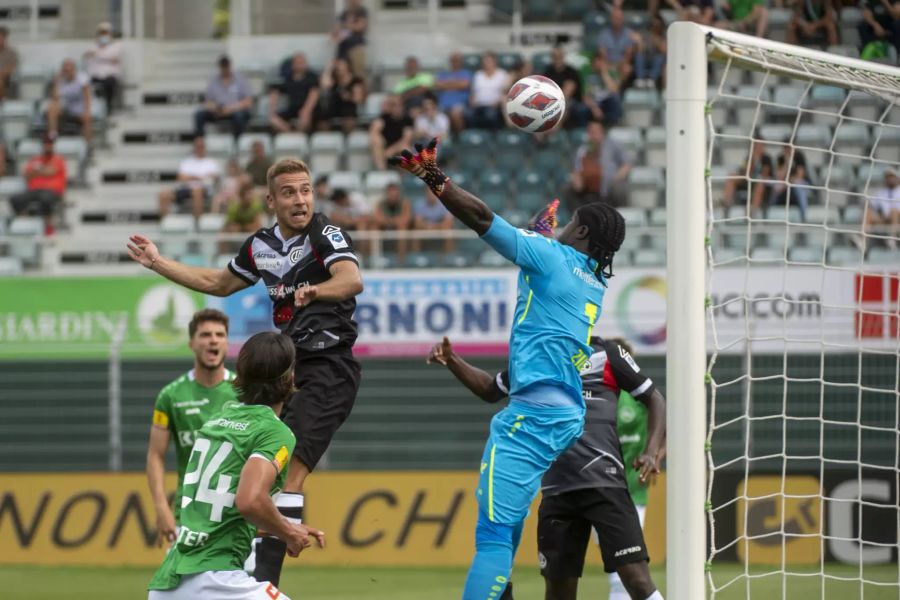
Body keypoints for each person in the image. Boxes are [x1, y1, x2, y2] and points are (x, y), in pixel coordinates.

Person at [389, 139, 626, 600]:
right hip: (560, 413)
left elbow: (481, 220)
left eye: (573, 224)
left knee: (493, 537)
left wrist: (434, 178)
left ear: (579, 236)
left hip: (531, 416)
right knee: (509, 525)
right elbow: (546, 269)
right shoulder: (592, 280)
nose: (565, 227)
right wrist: (540, 235)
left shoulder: (550, 256)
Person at [127, 157, 363, 588]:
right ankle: (217, 560)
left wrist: (316, 290)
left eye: (306, 190)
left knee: (288, 472)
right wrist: (158, 263)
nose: (301, 199)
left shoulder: (324, 232)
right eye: (289, 192)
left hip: (328, 365)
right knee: (247, 462)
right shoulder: (260, 246)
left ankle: (264, 580)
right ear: (271, 200)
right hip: (286, 366)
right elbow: (218, 284)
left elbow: (351, 279)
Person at [427, 332, 666, 600]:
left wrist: (652, 451)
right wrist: (452, 360)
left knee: (636, 581)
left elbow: (654, 397)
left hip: (605, 484)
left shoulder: (605, 353)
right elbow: (489, 389)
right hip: (557, 492)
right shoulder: (536, 355)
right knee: (557, 592)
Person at [147, 331, 326, 600]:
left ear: (240, 377)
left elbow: (221, 512)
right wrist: (289, 533)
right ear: (289, 378)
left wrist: (280, 527)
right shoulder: (275, 432)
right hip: (214, 580)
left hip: (168, 583)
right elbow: (250, 500)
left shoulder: (217, 422)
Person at [145, 309, 238, 549]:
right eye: (205, 335)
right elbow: (156, 456)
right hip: (187, 518)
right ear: (192, 343)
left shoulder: (244, 392)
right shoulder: (171, 396)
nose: (213, 340)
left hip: (236, 520)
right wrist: (161, 507)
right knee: (177, 586)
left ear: (227, 343)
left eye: (220, 334)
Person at [10, 133, 66, 235]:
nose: (48, 145)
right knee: (16, 199)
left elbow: (51, 171)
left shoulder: (58, 159)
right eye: (46, 143)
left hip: (53, 191)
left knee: (45, 199)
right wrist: (41, 171)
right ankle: (27, 225)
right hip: (35, 190)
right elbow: (27, 175)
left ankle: (47, 226)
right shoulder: (35, 159)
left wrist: (37, 171)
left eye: (50, 143)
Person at [570, 120, 632, 208]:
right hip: (587, 189)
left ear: (602, 133)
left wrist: (617, 177)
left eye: (595, 133)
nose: (593, 136)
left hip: (609, 187)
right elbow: (576, 168)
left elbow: (627, 164)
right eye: (590, 133)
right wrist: (576, 178)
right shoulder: (583, 149)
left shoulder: (614, 145)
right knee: (569, 188)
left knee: (618, 189)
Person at [158, 136, 222, 218]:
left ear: (205, 147)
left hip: (204, 191)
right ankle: (166, 222)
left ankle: (198, 222)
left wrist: (191, 177)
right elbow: (180, 177)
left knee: (196, 190)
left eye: (201, 146)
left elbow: (215, 177)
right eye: (197, 146)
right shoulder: (187, 162)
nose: (199, 149)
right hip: (185, 190)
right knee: (163, 194)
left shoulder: (211, 162)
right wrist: (199, 177)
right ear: (194, 148)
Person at [194, 55, 253, 140]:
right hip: (218, 111)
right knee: (199, 115)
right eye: (223, 66)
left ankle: (237, 142)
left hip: (234, 111)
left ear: (230, 66)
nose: (225, 69)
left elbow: (248, 101)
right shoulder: (213, 80)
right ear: (220, 67)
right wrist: (216, 108)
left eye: (226, 66)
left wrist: (230, 108)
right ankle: (200, 141)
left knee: (239, 116)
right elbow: (207, 102)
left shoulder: (240, 79)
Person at [268, 53, 320, 134]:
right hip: (293, 109)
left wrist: (306, 110)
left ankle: (299, 137)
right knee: (273, 119)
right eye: (297, 63)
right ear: (293, 64)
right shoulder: (288, 78)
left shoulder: (312, 77)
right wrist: (272, 110)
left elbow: (314, 94)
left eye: (301, 63)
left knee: (305, 118)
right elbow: (275, 92)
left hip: (309, 109)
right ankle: (291, 134)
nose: (299, 65)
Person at [47, 58, 92, 145]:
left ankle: (87, 145)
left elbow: (87, 97)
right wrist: (56, 82)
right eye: (64, 69)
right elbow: (55, 98)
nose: (66, 71)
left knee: (87, 118)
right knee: (51, 108)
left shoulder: (82, 78)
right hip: (66, 108)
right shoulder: (61, 80)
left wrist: (87, 111)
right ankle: (53, 136)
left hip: (79, 109)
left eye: (68, 68)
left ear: (74, 69)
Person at [543, 46, 589, 129]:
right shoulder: (548, 72)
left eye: (559, 56)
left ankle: (555, 127)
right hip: (551, 100)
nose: (557, 58)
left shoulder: (571, 71)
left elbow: (568, 92)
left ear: (563, 56)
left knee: (565, 102)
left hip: (571, 101)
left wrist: (556, 103)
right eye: (555, 56)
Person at [84, 21, 123, 115]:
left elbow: (114, 58)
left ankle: (108, 108)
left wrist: (97, 55)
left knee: (110, 83)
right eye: (101, 33)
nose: (103, 36)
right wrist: (104, 56)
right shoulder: (93, 46)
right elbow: (87, 58)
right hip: (95, 76)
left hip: (110, 77)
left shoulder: (117, 46)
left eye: (105, 33)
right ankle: (94, 110)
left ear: (110, 34)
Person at [319, 57, 366, 133]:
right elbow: (324, 85)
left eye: (342, 65)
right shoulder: (334, 79)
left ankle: (347, 140)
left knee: (349, 121)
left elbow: (358, 99)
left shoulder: (356, 80)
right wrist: (329, 68)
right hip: (334, 107)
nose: (339, 68)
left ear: (348, 66)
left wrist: (349, 97)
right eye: (338, 65)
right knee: (322, 120)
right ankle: (327, 140)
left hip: (349, 107)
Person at [596, 7, 638, 87]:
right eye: (615, 18)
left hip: (621, 64)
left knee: (627, 68)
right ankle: (612, 88)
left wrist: (617, 65)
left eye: (619, 18)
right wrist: (610, 65)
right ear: (611, 19)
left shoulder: (628, 34)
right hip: (607, 62)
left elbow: (628, 55)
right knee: (601, 65)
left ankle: (617, 87)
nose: (617, 20)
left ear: (623, 19)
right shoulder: (604, 34)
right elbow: (603, 54)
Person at [368, 94, 413, 170]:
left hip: (397, 148)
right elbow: (374, 130)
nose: (396, 108)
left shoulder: (407, 120)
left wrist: (390, 151)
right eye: (393, 105)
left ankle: (403, 177)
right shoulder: (384, 118)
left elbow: (406, 139)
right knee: (376, 140)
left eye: (399, 105)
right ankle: (382, 170)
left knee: (406, 149)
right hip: (384, 147)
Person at [467, 52, 508, 131]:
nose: (487, 63)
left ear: (495, 61)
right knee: (468, 114)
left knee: (490, 115)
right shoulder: (478, 74)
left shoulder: (502, 74)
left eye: (489, 61)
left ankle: (493, 136)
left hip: (494, 105)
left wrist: (497, 102)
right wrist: (472, 100)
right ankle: (475, 136)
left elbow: (505, 93)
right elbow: (473, 92)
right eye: (485, 61)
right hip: (478, 105)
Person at [373, 181, 412, 262]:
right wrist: (391, 221)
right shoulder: (380, 203)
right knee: (374, 227)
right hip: (384, 227)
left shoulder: (405, 203)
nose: (393, 196)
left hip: (399, 228)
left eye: (395, 194)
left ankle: (401, 260)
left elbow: (406, 219)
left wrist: (389, 221)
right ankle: (375, 258)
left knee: (402, 229)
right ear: (387, 193)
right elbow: (377, 218)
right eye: (391, 194)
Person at [862, 167, 900, 250]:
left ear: (897, 178)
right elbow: (871, 204)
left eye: (892, 177)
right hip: (885, 219)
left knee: (894, 211)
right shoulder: (881, 192)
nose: (890, 179)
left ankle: (892, 238)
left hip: (898, 218)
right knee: (868, 213)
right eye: (888, 177)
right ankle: (862, 241)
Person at [434, 52, 472, 132]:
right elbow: (437, 85)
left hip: (460, 104)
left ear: (461, 62)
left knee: (455, 113)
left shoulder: (466, 73)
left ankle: (460, 137)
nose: (455, 62)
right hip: (442, 105)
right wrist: (457, 84)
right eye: (453, 60)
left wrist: (446, 84)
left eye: (457, 60)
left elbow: (465, 85)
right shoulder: (443, 73)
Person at [332, 0, 368, 79]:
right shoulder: (344, 13)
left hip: (356, 47)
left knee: (358, 74)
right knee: (342, 74)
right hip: (343, 48)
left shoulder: (361, 11)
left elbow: (361, 26)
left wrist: (346, 26)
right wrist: (350, 26)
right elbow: (336, 30)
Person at [412, 188, 454, 252]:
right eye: (429, 193)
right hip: (425, 230)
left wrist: (433, 227)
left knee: (448, 231)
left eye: (432, 193)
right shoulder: (419, 204)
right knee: (416, 232)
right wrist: (428, 227)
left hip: (439, 230)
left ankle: (448, 257)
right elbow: (418, 223)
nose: (431, 195)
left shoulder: (443, 203)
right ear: (425, 194)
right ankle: (416, 256)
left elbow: (448, 222)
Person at [633, 16, 667, 90]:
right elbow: (640, 49)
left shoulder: (664, 35)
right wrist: (640, 43)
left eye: (658, 25)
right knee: (638, 56)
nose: (656, 27)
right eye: (654, 25)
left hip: (656, 61)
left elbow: (664, 50)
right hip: (645, 58)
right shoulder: (645, 34)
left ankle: (652, 79)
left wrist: (656, 41)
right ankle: (640, 79)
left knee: (660, 57)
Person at [0, 26, 19, 100]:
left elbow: (13, 68)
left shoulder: (11, 53)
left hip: (6, 79)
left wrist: (1, 73)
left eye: (1, 38)